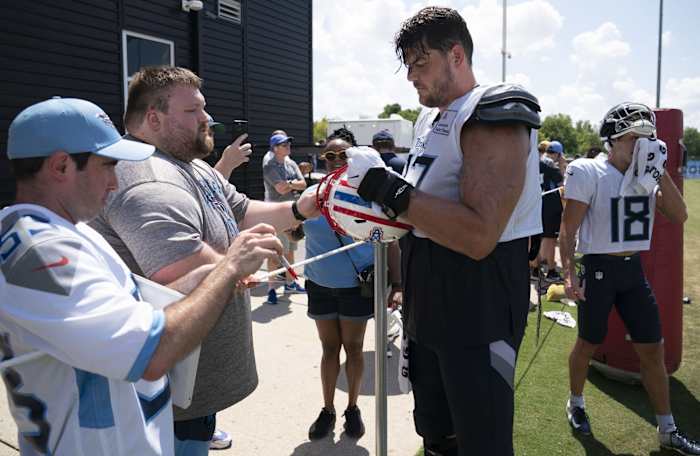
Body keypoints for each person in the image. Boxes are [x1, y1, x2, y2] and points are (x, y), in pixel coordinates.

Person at [0, 97, 281, 455]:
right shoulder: (38, 252)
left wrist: (209, 275)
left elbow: (137, 304)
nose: (115, 182)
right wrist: (227, 270)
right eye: (107, 166)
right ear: (60, 166)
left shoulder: (66, 230)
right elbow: (150, 355)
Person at [90, 66, 319, 456]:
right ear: (153, 118)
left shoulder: (190, 165)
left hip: (194, 389)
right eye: (193, 111)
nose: (207, 119)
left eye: (204, 108)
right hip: (167, 399)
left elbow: (241, 210)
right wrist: (238, 262)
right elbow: (186, 274)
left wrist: (303, 207)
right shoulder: (146, 179)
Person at [346, 7, 542, 455]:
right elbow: (419, 212)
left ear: (456, 55)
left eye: (421, 63)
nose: (412, 77)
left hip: (477, 297)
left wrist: (389, 189)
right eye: (409, 65)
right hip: (426, 294)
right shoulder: (427, 119)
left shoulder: (494, 109)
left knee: (482, 441)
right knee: (436, 434)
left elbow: (478, 236)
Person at [561, 102, 699, 454]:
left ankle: (667, 429)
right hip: (599, 268)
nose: (644, 143)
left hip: (632, 271)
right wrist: (568, 274)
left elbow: (680, 214)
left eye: (647, 137)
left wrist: (658, 172)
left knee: (653, 348)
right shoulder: (588, 171)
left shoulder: (647, 174)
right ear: (615, 138)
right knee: (588, 342)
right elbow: (568, 230)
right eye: (635, 137)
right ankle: (576, 401)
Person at [304, 138, 402, 441]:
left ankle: (352, 407)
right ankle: (328, 409)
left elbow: (391, 241)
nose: (335, 160)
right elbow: (294, 230)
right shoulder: (311, 193)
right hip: (319, 283)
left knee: (354, 349)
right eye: (329, 156)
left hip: (356, 286)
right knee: (329, 349)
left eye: (343, 155)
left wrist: (398, 284)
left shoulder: (367, 195)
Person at [262, 132, 308, 304]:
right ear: (275, 148)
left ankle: (290, 283)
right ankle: (271, 289)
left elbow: (303, 184)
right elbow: (280, 190)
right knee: (275, 253)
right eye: (283, 144)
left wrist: (289, 184)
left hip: (292, 213)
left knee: (290, 251)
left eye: (288, 143)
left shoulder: (291, 163)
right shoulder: (269, 165)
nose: (288, 146)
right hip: (275, 215)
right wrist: (293, 184)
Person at [537, 140, 565, 281]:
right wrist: (562, 166)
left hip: (539, 203)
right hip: (551, 204)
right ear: (559, 155)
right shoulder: (550, 164)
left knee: (539, 237)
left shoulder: (537, 161)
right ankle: (551, 271)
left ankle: (534, 268)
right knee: (551, 239)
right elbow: (562, 185)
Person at [208, 114, 253, 180]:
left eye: (211, 133)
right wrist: (226, 163)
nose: (209, 138)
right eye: (203, 131)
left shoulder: (206, 160)